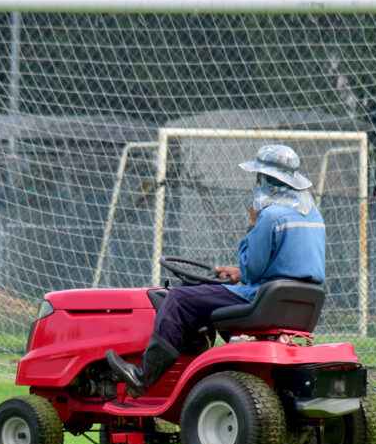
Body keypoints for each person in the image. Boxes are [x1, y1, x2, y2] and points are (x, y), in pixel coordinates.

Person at [106, 144, 326, 398]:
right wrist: (238, 274)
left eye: (259, 178)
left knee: (178, 299)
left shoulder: (269, 216)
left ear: (267, 180)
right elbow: (288, 263)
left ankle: (143, 377)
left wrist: (252, 226)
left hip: (259, 296)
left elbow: (253, 270)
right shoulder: (312, 214)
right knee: (209, 297)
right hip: (299, 301)